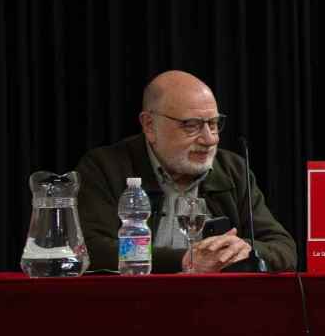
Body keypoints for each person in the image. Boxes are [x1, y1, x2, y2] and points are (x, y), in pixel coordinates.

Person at [76, 70, 297, 272]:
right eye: (191, 125)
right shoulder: (105, 167)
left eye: (213, 123)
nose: (210, 139)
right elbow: (91, 248)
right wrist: (185, 259)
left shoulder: (233, 170)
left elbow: (283, 247)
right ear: (149, 126)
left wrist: (245, 248)